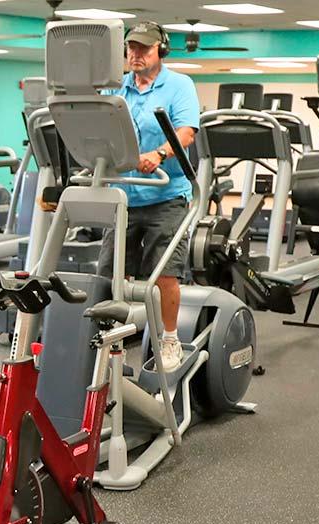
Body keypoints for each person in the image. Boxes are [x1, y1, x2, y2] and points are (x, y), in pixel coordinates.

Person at [110, 21, 199, 373]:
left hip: (166, 194)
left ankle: (169, 339)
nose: (135, 54)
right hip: (124, 195)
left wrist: (160, 154)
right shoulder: (117, 88)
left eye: (144, 48)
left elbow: (187, 131)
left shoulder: (179, 85)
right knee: (109, 275)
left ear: (160, 50)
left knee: (164, 274)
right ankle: (110, 338)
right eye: (131, 48)